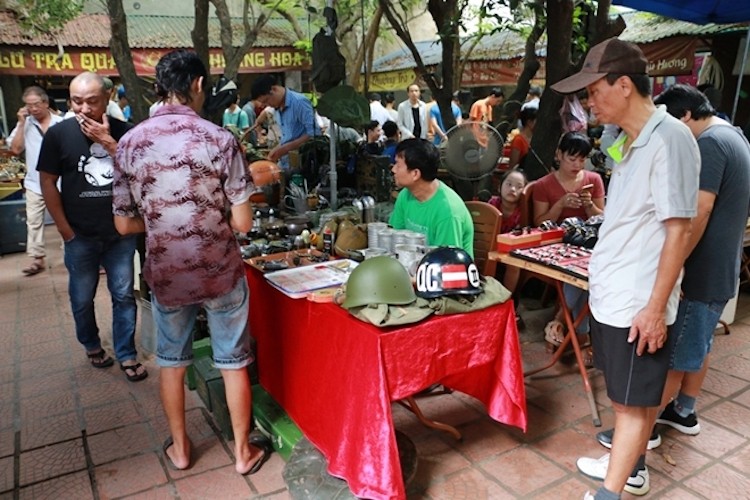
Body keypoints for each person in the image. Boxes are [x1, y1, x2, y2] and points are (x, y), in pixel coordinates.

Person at [551, 38, 700, 499]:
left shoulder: (670, 139)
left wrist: (655, 309)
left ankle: (611, 492)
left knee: (635, 407)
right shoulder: (633, 140)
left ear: (623, 85)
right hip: (615, 296)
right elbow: (626, 204)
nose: (588, 103)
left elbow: (679, 230)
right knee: (624, 398)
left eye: (594, 91)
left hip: (640, 303)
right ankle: (624, 464)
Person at [113, 49, 271, 475]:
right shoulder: (218, 139)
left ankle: (180, 450)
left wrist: (167, 222)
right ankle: (242, 453)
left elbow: (124, 226)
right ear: (198, 85)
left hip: (166, 273)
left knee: (171, 360)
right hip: (220, 271)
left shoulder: (130, 142)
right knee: (233, 360)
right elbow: (242, 222)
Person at [595, 84, 750, 452]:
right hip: (721, 267)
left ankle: (637, 443)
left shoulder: (707, 143)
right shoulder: (735, 136)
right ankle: (684, 411)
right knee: (696, 344)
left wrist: (672, 269)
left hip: (699, 270)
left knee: (673, 360)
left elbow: (698, 212)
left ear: (683, 117)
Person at [37, 71, 146, 382]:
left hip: (120, 234)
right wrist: (64, 229)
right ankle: (91, 344)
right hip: (79, 234)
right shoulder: (59, 135)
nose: (83, 109)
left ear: (107, 98)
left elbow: (142, 174)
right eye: (76, 101)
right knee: (82, 297)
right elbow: (47, 181)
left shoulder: (127, 133)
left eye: (91, 101)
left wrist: (109, 143)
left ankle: (126, 353)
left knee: (123, 295)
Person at [534, 131, 605, 360]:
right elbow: (539, 222)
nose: (577, 164)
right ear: (559, 155)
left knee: (587, 272)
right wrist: (561, 204)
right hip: (557, 245)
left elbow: (602, 218)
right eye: (571, 158)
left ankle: (559, 323)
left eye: (582, 159)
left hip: (588, 244)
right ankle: (579, 333)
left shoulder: (593, 180)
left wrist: (588, 207)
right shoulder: (544, 184)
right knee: (581, 276)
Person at [8, 86, 63, 276]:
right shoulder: (26, 124)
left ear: (45, 103)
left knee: (66, 217)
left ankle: (71, 252)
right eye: (28, 105)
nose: (33, 109)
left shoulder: (61, 122)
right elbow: (15, 149)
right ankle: (37, 258)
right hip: (34, 181)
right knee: (33, 220)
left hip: (61, 181)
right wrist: (22, 123)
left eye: (36, 104)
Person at [389, 138, 474, 255]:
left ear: (415, 174)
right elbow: (395, 237)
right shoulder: (405, 195)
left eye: (398, 165)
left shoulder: (448, 211)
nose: (393, 169)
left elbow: (447, 262)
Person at [250, 75, 319, 169]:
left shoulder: (299, 102)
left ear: (274, 89)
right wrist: (278, 149)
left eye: (266, 101)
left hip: (303, 165)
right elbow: (289, 137)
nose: (267, 105)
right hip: (285, 164)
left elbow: (313, 134)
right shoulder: (278, 108)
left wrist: (286, 148)